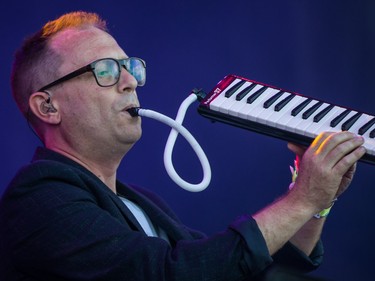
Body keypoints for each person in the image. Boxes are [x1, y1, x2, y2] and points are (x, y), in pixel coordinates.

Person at [0, 11, 366, 281]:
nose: (129, 81)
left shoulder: (143, 203)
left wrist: (318, 201)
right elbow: (174, 276)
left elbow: (250, 270)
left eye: (130, 67)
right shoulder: (38, 197)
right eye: (105, 70)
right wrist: (302, 198)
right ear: (48, 106)